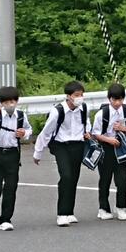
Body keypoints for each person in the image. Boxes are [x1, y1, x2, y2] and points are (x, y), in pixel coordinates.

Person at [34, 81, 91, 227]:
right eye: (76, 95)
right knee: (66, 176)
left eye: (81, 95)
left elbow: (86, 122)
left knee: (74, 178)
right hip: (61, 146)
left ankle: (70, 212)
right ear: (68, 96)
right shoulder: (57, 111)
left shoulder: (84, 108)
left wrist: (87, 132)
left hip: (78, 144)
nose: (80, 98)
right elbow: (46, 132)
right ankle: (62, 213)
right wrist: (38, 152)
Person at [0, 86, 31, 231]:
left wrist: (24, 133)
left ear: (17, 101)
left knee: (11, 187)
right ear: (1, 103)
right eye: (7, 102)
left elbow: (29, 129)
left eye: (13, 101)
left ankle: (5, 219)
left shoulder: (21, 115)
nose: (10, 105)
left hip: (12, 154)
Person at [91, 83, 126, 221]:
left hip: (121, 147)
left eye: (120, 99)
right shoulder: (102, 114)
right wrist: (109, 140)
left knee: (123, 178)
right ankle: (103, 208)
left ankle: (121, 207)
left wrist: (123, 128)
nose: (117, 103)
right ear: (109, 99)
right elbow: (95, 134)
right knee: (105, 179)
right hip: (106, 147)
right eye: (114, 99)